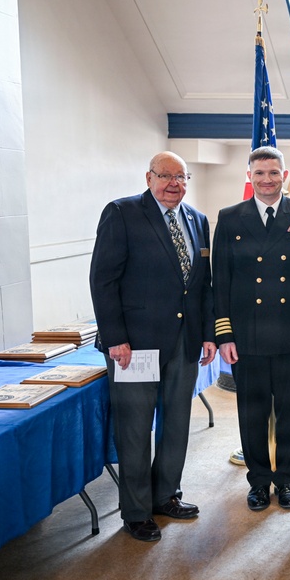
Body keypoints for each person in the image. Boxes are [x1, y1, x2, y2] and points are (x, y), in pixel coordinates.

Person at [89, 151, 216, 542]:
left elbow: (203, 285)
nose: (173, 184)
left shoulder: (197, 220)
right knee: (135, 428)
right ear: (149, 178)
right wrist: (115, 338)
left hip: (184, 341)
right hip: (135, 346)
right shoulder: (122, 213)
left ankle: (166, 496)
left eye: (181, 177)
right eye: (165, 176)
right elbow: (103, 280)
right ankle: (136, 511)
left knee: (176, 424)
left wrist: (208, 333)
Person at [212, 146, 290, 512]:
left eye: (274, 173)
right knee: (251, 413)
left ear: (284, 175)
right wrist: (224, 334)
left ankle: (286, 480)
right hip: (247, 335)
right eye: (259, 173)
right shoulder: (230, 217)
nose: (267, 179)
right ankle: (258, 481)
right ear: (249, 176)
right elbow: (220, 280)